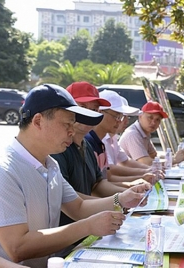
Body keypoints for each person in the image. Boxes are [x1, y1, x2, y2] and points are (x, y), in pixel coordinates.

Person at [0, 84, 151, 267]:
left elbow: (78, 207)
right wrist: (87, 226)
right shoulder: (0, 172)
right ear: (38, 121)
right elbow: (17, 247)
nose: (72, 131)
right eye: (66, 124)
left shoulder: (50, 165)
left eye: (73, 124)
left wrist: (122, 199)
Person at [50, 82, 150, 256]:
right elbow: (69, 199)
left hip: (88, 234)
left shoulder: (87, 145)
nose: (88, 113)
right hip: (63, 240)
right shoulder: (57, 149)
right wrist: (119, 199)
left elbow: (98, 183)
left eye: (94, 109)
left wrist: (128, 193)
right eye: (82, 107)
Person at [85, 90, 154, 186]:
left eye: (122, 117)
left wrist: (138, 180)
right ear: (100, 112)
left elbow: (105, 179)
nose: (120, 121)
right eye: (117, 116)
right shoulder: (88, 143)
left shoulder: (100, 141)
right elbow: (96, 188)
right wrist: (133, 184)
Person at [119, 101, 184, 166]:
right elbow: (145, 163)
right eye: (150, 117)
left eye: (157, 120)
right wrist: (174, 160)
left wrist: (173, 157)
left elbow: (154, 157)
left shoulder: (144, 132)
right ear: (140, 116)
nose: (153, 123)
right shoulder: (133, 134)